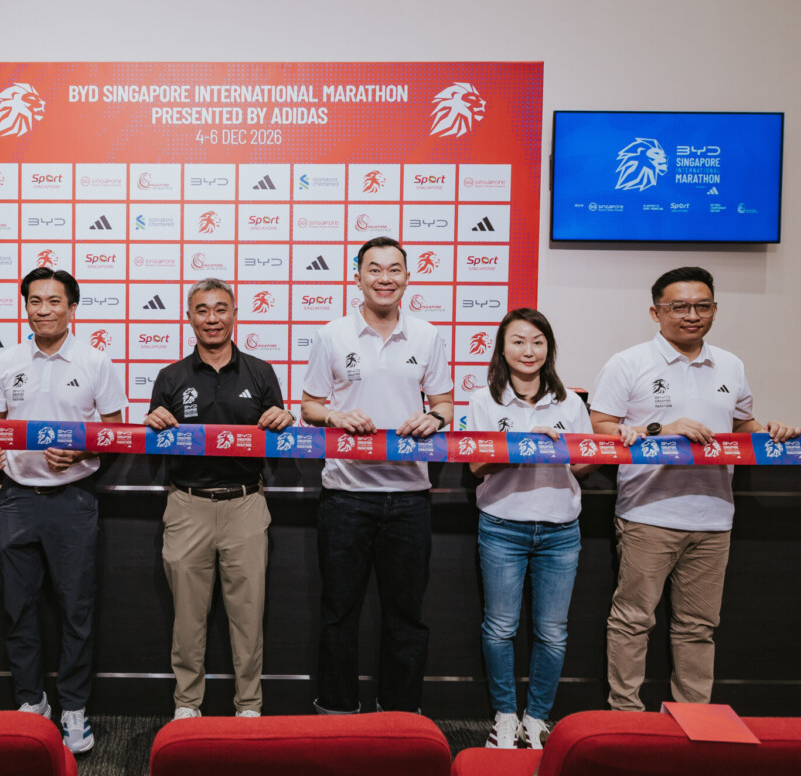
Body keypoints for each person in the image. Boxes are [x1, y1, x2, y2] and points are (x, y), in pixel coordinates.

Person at [590, 266, 800, 711]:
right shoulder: (629, 363)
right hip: (649, 514)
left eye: (702, 306)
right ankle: (626, 715)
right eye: (678, 306)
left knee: (699, 626)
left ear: (714, 310)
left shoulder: (731, 364)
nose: (691, 315)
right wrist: (660, 429)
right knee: (632, 620)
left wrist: (770, 432)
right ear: (656, 312)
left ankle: (693, 720)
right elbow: (600, 428)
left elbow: (741, 423)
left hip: (714, 516)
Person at [300, 236, 454, 715]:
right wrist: (333, 417)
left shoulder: (428, 336)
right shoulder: (332, 335)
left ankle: (401, 713)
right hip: (346, 495)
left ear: (407, 278)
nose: (384, 278)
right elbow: (308, 405)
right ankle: (338, 711)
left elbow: (445, 403)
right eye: (374, 269)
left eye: (394, 270)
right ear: (358, 276)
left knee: (406, 616)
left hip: (409, 496)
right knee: (338, 613)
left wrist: (437, 418)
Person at [0, 267, 126, 753]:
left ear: (72, 308)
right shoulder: (5, 361)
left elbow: (115, 433)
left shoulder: (95, 361)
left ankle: (74, 708)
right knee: (17, 606)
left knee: (76, 608)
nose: (44, 310)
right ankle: (31, 699)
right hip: (16, 498)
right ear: (25, 306)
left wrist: (83, 452)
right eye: (36, 301)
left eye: (54, 301)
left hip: (73, 501)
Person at [144, 278, 294, 720]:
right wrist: (152, 421)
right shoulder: (171, 377)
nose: (212, 319)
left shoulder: (261, 373)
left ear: (234, 314)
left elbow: (278, 437)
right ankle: (187, 704)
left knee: (248, 618)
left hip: (246, 505)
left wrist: (285, 418)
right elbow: (157, 441)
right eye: (203, 310)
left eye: (221, 309)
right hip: (187, 504)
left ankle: (249, 706)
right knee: (187, 620)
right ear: (189, 317)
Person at [466, 309, 597, 749]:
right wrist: (523, 448)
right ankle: (504, 715)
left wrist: (569, 451)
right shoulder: (485, 399)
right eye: (519, 341)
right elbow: (477, 465)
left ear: (549, 348)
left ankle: (537, 717)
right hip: (503, 525)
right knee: (500, 627)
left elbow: (583, 465)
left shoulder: (571, 402)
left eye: (538, 341)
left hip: (561, 529)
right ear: (503, 348)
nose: (529, 351)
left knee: (552, 631)